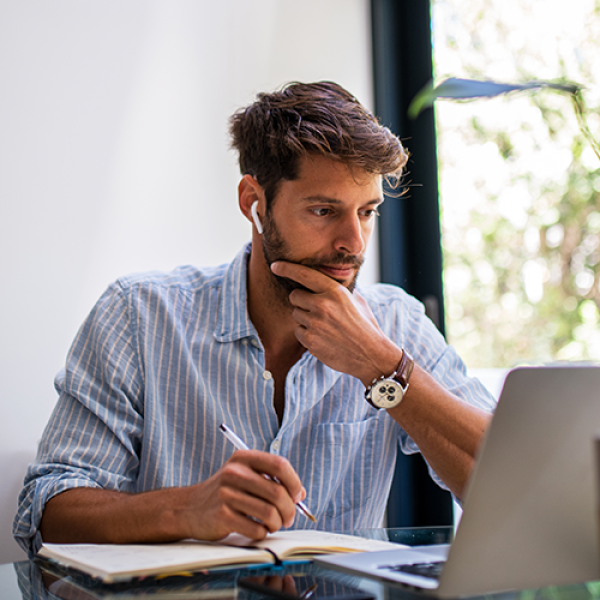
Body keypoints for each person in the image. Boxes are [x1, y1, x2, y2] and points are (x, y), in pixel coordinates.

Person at [14, 81, 495, 555]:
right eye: (324, 210)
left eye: (367, 212)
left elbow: (506, 484)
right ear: (254, 202)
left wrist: (382, 366)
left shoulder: (396, 325)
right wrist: (187, 510)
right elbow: (48, 512)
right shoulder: (139, 316)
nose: (354, 242)